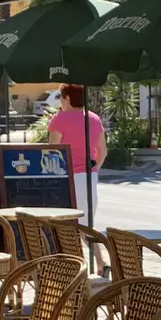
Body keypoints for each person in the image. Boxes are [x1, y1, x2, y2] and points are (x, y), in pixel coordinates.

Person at [46, 84, 106, 227]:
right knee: (86, 228)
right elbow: (102, 151)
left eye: (60, 97)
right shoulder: (94, 119)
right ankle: (93, 250)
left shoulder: (59, 119)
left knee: (65, 228)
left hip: (65, 178)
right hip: (89, 177)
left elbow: (52, 150)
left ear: (67, 98)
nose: (60, 101)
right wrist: (95, 169)